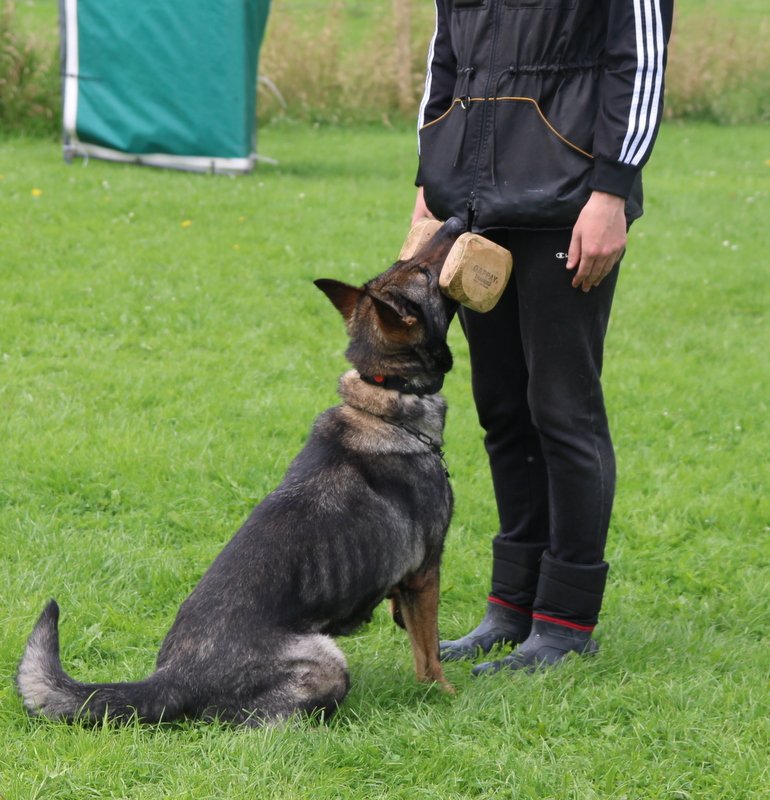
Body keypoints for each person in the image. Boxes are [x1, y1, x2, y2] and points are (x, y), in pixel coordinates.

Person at [412, 0, 673, 674]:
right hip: (475, 203)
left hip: (571, 199)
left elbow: (640, 62)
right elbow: (446, 57)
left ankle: (566, 622)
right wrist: (429, 185)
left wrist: (611, 193)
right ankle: (512, 606)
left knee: (563, 410)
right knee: (502, 409)